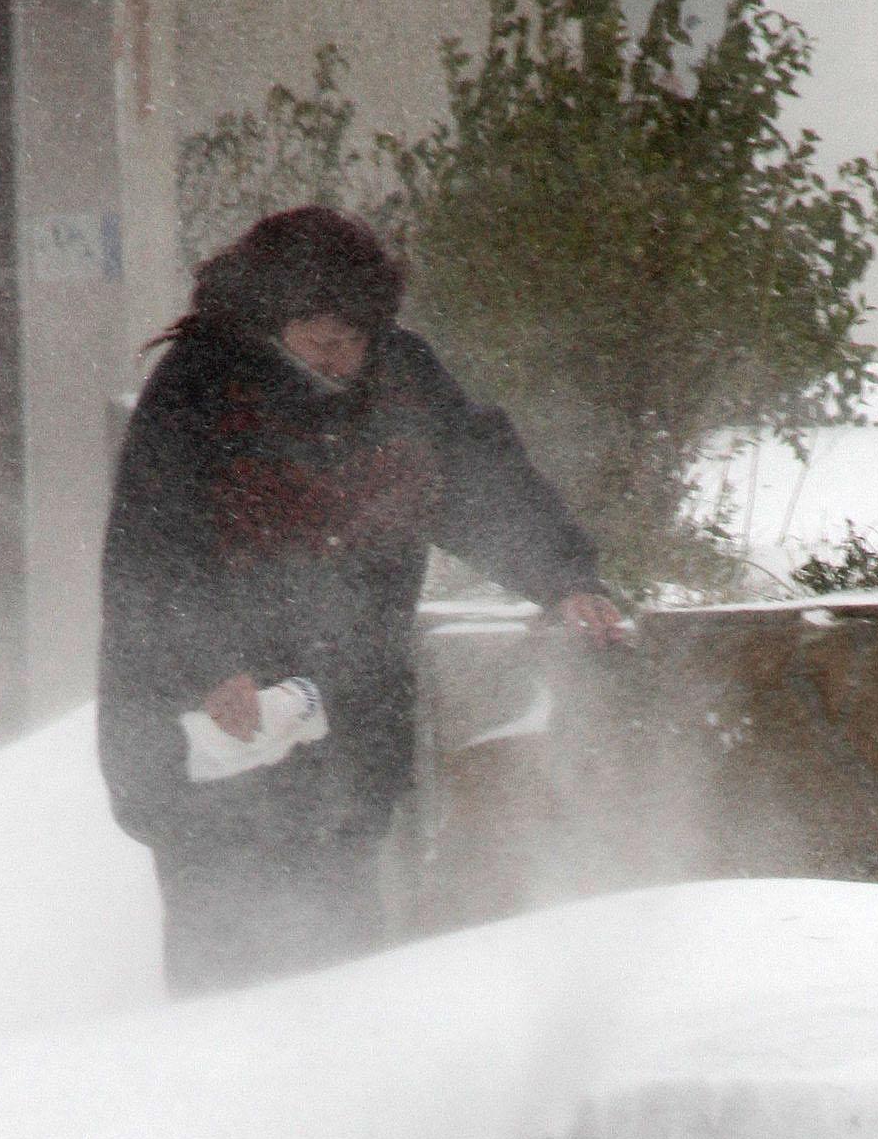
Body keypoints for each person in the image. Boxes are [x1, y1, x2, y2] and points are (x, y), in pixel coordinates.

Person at [99, 205, 626, 995]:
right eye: (322, 341)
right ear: (268, 321)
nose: (345, 360)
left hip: (349, 715)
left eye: (358, 339)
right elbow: (152, 556)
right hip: (214, 728)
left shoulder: (404, 378)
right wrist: (210, 664)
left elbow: (479, 483)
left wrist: (564, 577)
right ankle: (220, 1093)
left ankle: (333, 1094)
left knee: (340, 949)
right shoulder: (198, 390)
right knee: (227, 952)